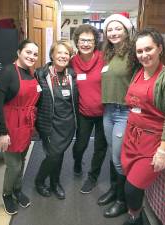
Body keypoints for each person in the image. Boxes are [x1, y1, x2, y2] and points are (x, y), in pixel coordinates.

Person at [121, 27, 165, 225]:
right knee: (128, 179)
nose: (144, 55)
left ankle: (135, 217)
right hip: (133, 138)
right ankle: (137, 214)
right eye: (140, 51)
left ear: (160, 48)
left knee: (132, 187)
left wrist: (164, 150)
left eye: (149, 49)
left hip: (154, 143)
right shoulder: (137, 73)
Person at [0, 39, 39, 215]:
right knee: (13, 165)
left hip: (26, 126)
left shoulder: (30, 72)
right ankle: (7, 194)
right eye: (28, 52)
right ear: (19, 52)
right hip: (10, 126)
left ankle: (17, 190)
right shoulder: (8, 72)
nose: (32, 56)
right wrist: (2, 132)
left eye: (35, 54)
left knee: (22, 161)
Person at [98, 12, 135, 217]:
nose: (113, 33)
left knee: (119, 158)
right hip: (109, 110)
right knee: (113, 154)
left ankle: (122, 200)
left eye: (117, 28)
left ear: (126, 30)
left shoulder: (133, 54)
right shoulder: (109, 53)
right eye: (109, 29)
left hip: (124, 112)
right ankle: (113, 191)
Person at [34, 41, 78, 200]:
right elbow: (34, 99)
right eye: (59, 52)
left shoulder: (72, 75)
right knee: (54, 155)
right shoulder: (40, 74)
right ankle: (39, 181)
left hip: (67, 124)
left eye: (66, 53)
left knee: (58, 154)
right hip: (49, 123)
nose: (63, 56)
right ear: (52, 55)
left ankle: (54, 183)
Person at [71, 24, 107, 194]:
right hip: (83, 113)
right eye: (82, 40)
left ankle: (92, 177)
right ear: (77, 42)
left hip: (105, 113)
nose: (86, 43)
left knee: (100, 147)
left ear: (95, 43)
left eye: (90, 41)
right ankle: (77, 161)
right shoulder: (71, 62)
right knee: (80, 145)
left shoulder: (104, 58)